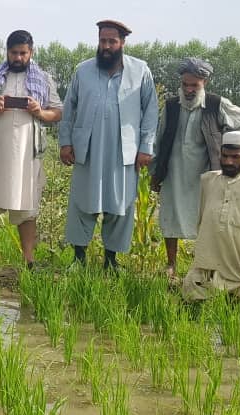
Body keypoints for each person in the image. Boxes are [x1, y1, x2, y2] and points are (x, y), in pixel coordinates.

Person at [58, 20, 159, 269]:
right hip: (87, 148)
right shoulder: (83, 71)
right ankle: (78, 258)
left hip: (123, 151)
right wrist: (65, 142)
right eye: (103, 40)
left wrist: (146, 146)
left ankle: (111, 261)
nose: (106, 46)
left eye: (112, 41)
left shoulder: (140, 70)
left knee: (120, 204)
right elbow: (69, 108)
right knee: (82, 202)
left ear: (122, 43)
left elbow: (151, 111)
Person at [150, 57, 240, 279]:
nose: (188, 90)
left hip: (206, 172)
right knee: (171, 215)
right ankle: (171, 264)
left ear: (204, 83)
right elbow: (159, 139)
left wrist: (226, 140)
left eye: (194, 85)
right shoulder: (170, 106)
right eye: (185, 84)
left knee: (207, 218)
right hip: (174, 170)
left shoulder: (216, 104)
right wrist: (155, 172)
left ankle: (204, 264)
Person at [0, 30, 63, 267]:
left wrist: (39, 111)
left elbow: (58, 112)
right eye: (14, 53)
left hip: (27, 154)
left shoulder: (43, 79)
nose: (18, 58)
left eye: (23, 53)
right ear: (7, 52)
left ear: (31, 53)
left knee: (27, 206)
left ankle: (29, 260)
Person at [182, 131, 240, 300]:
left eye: (235, 157)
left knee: (235, 297)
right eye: (224, 156)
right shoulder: (208, 180)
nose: (228, 162)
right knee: (191, 290)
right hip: (207, 260)